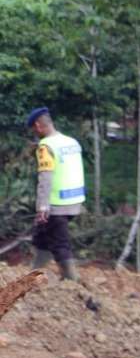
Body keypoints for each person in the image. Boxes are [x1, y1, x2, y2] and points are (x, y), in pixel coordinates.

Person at [25, 106, 83, 281]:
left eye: (34, 129)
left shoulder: (46, 146)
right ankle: (31, 277)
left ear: (38, 125)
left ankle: (73, 282)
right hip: (74, 200)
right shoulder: (71, 142)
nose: (35, 133)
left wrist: (42, 206)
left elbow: (46, 177)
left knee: (60, 245)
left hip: (56, 204)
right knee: (42, 237)